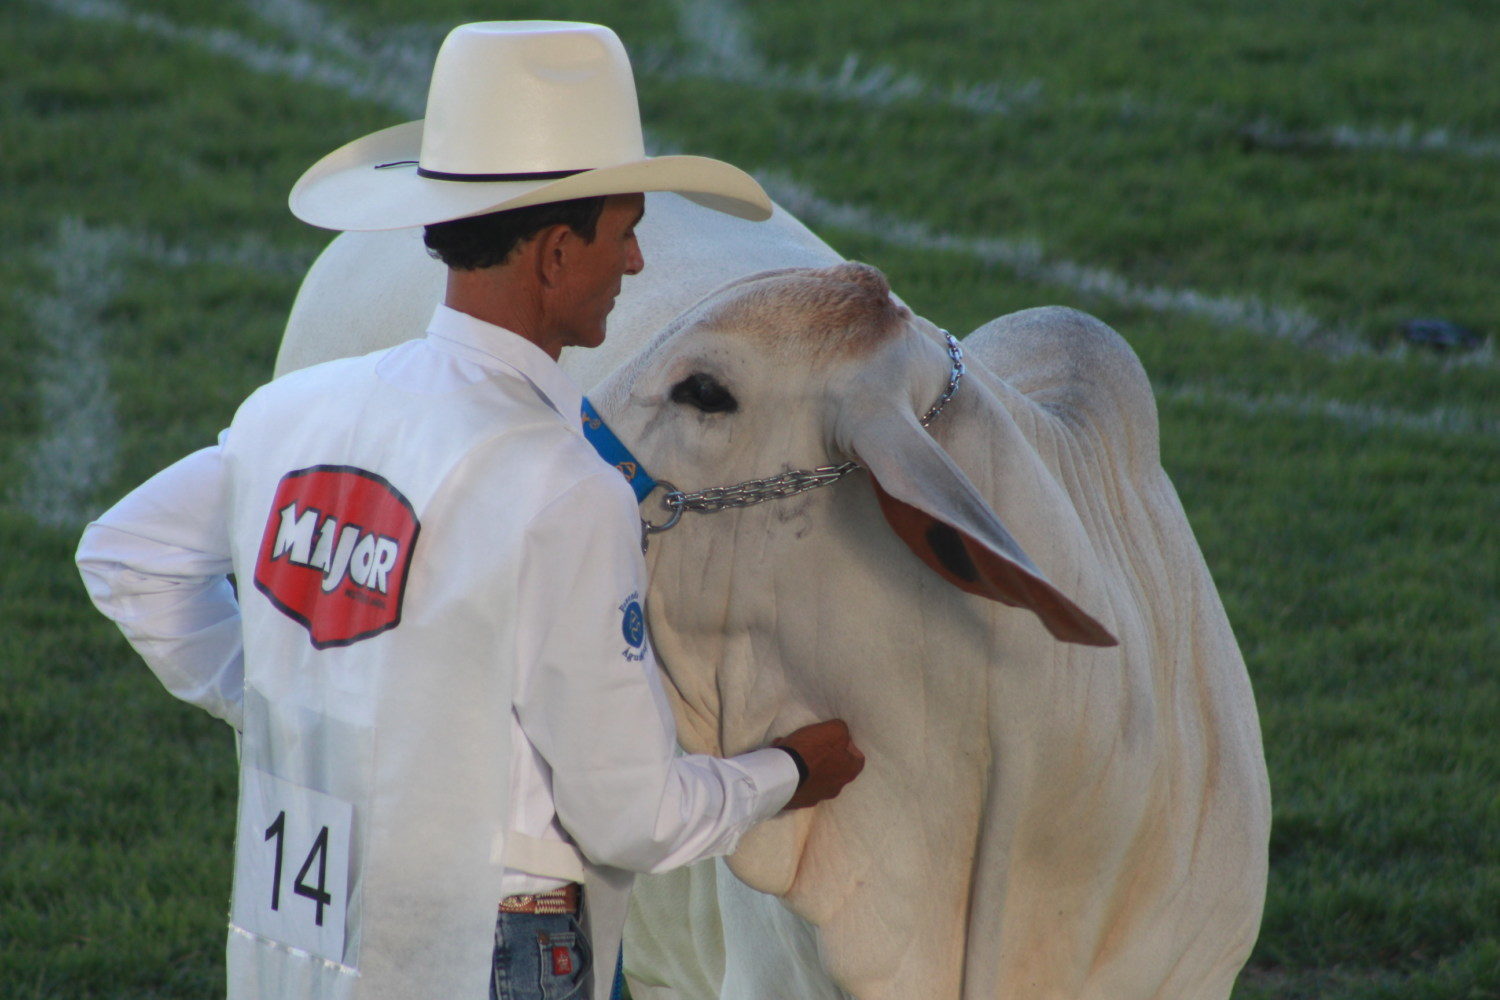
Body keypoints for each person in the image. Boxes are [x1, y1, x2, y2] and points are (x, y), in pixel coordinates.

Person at [76, 21, 863, 1000]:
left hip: (300, 921)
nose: (635, 263)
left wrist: (289, 709)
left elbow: (124, 556)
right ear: (554, 255)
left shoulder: (293, 414)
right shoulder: (569, 490)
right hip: (496, 945)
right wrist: (788, 770)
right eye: (623, 232)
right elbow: (633, 819)